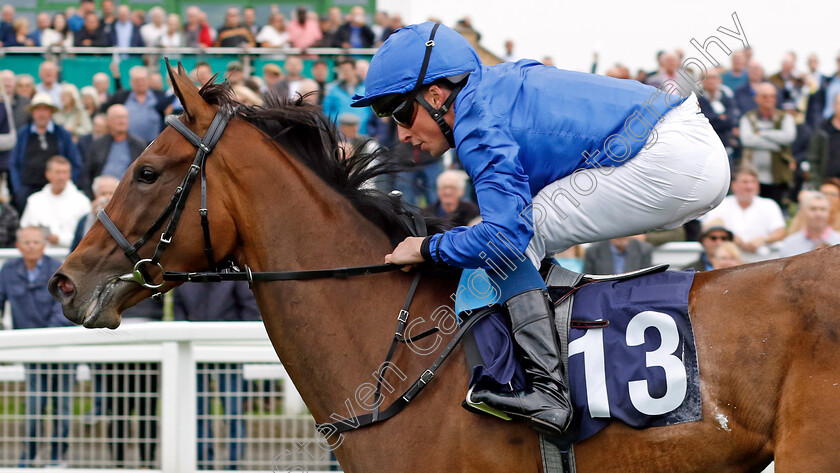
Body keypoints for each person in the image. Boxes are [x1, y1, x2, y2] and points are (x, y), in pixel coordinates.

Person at [355, 22, 730, 436]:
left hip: (674, 157)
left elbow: (504, 240)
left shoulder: (478, 125)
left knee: (513, 242)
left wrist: (427, 248)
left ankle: (549, 393)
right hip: (682, 143)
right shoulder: (491, 91)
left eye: (402, 112)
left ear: (436, 96)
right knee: (521, 231)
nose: (402, 132)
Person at [0, 226, 73, 467]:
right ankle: (29, 455)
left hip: (60, 349)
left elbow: (65, 306)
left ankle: (57, 455)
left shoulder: (59, 269)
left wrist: (47, 336)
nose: (31, 246)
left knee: (62, 406)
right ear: (18, 246)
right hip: (31, 351)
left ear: (44, 245)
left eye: (36, 242)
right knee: (34, 404)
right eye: (26, 242)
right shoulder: (8, 271)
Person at [174, 281, 260, 470]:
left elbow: (250, 310)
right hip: (194, 352)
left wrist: (244, 347)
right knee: (198, 412)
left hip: (228, 352)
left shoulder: (232, 277)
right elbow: (178, 314)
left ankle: (234, 465)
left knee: (233, 412)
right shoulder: (185, 279)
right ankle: (204, 464)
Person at [9, 93, 83, 213]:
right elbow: (13, 164)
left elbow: (76, 163)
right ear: (32, 113)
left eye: (45, 109)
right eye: (38, 109)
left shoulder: (62, 134)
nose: (41, 114)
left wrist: (65, 185)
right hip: (28, 190)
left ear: (51, 112)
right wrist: (19, 190)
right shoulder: (23, 134)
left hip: (56, 192)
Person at [702, 164, 786, 256]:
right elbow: (707, 228)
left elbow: (781, 232)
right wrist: (733, 238)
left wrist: (764, 239)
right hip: (728, 260)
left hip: (761, 259)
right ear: (734, 185)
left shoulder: (769, 205)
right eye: (745, 182)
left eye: (753, 182)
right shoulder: (722, 204)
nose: (749, 186)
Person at [739, 82, 797, 207]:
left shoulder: (785, 118)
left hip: (778, 176)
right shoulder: (748, 118)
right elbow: (747, 140)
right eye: (765, 96)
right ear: (757, 98)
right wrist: (775, 144)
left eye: (772, 96)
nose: (769, 99)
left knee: (775, 208)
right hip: (753, 176)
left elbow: (787, 137)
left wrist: (763, 133)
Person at [20, 155, 91, 248]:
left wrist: (60, 240)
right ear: (48, 174)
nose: (61, 176)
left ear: (69, 174)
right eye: (57, 172)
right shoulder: (34, 200)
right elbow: (25, 229)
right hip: (41, 257)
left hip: (73, 256)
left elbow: (88, 235)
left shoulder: (82, 201)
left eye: (65, 172)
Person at [82, 104, 145, 192]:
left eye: (124, 117)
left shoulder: (139, 145)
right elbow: (87, 174)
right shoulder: (98, 144)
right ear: (108, 121)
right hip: (101, 193)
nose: (122, 121)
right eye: (118, 118)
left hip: (129, 194)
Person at [779, 191, 840, 257]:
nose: (818, 214)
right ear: (802, 212)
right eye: (813, 209)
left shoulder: (838, 241)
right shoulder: (789, 244)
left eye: (823, 209)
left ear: (829, 212)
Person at [808, 92, 840, 185]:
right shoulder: (822, 129)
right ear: (833, 105)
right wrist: (816, 181)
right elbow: (813, 158)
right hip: (824, 182)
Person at [582, 236, 654, 275]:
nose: (621, 235)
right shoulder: (594, 251)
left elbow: (645, 280)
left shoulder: (644, 250)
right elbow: (587, 282)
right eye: (617, 231)